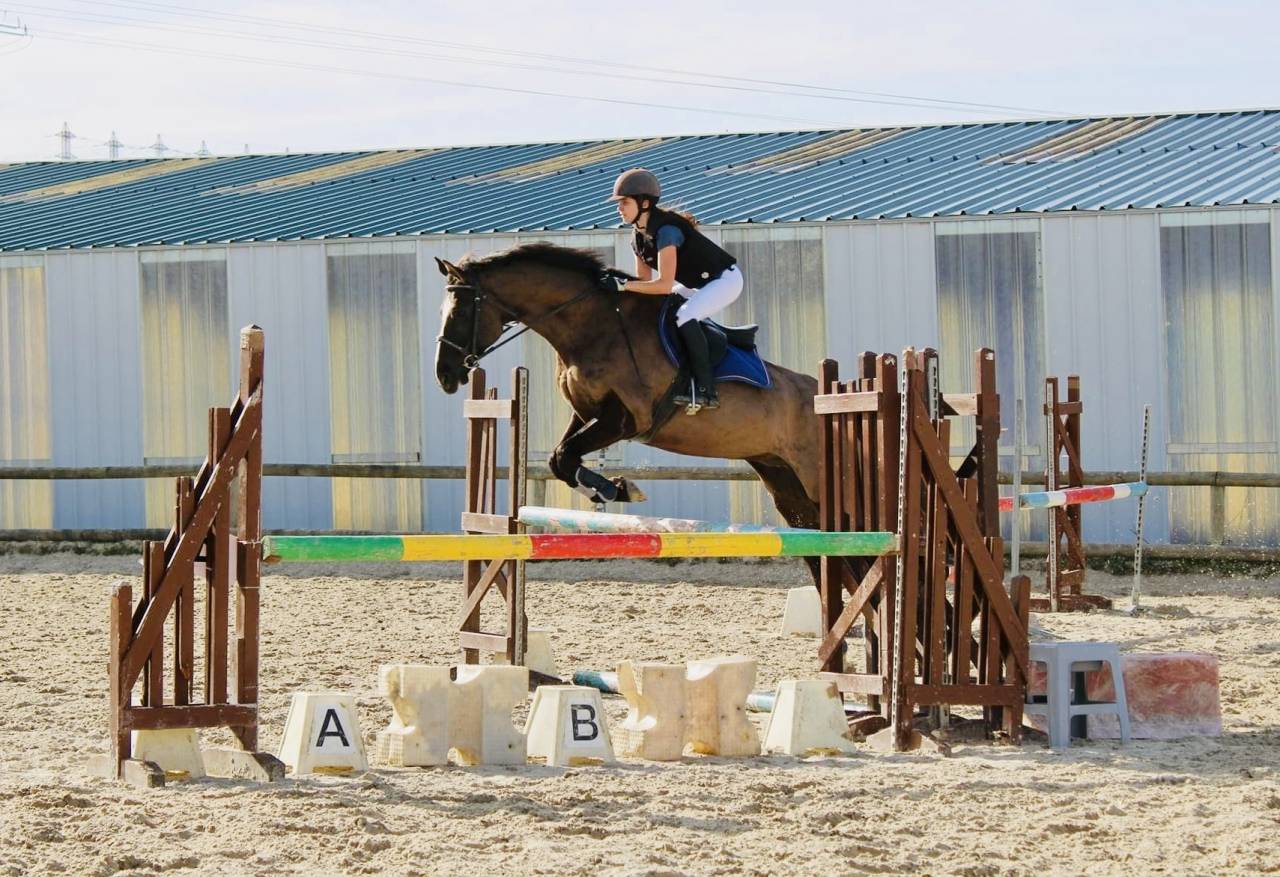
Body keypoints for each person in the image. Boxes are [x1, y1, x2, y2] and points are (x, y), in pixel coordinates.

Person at [606, 167, 743, 412]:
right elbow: (643, 283)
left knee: (685, 315)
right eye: (619, 203)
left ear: (644, 203)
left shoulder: (667, 231)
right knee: (667, 308)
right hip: (698, 284)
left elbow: (664, 285)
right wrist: (615, 284)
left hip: (725, 280)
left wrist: (622, 285)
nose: (619, 209)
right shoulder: (637, 237)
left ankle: (705, 389)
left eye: (624, 202)